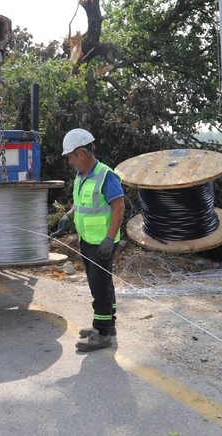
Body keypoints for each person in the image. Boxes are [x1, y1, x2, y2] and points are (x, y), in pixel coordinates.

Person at [56, 128, 125, 352]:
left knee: (99, 286)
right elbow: (81, 204)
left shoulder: (105, 176)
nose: (69, 162)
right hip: (88, 241)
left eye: (70, 157)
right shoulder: (81, 176)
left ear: (81, 155)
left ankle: (101, 333)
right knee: (102, 283)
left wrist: (109, 238)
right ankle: (107, 325)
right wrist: (68, 215)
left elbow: (119, 207)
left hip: (102, 243)